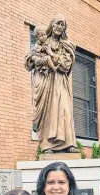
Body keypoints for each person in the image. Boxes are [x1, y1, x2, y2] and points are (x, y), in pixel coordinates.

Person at [25, 14, 79, 153]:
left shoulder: (67, 45)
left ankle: (68, 144)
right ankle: (47, 146)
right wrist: (36, 59)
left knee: (64, 109)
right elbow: (30, 59)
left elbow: (66, 65)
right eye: (57, 24)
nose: (59, 27)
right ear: (52, 25)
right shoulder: (43, 39)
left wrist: (51, 55)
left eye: (62, 25)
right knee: (49, 112)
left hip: (60, 82)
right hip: (45, 81)